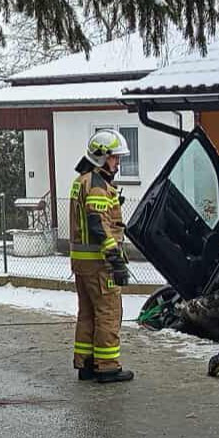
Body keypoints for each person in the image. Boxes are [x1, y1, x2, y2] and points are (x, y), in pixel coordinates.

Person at [69, 129, 134, 383]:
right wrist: (114, 258)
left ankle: (85, 363)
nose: (117, 163)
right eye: (114, 158)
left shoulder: (82, 181)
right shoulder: (97, 186)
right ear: (101, 156)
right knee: (108, 312)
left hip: (82, 264)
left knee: (87, 313)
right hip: (99, 263)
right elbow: (97, 224)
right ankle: (107, 365)